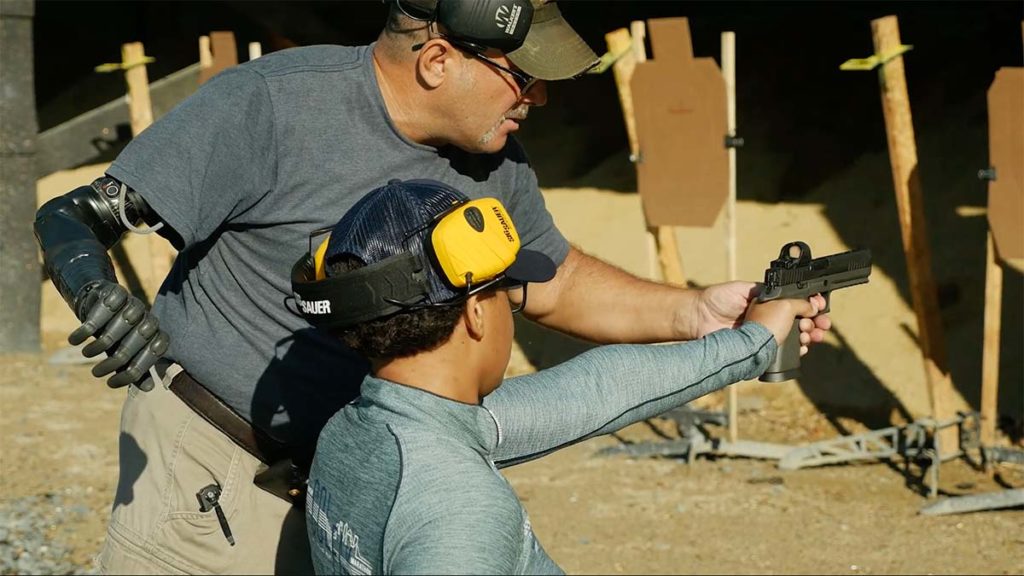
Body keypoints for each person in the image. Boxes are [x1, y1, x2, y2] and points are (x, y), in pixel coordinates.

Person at [33, 0, 831, 574]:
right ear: (438, 57)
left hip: (362, 463)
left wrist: (699, 312)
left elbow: (551, 282)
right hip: (211, 462)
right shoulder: (273, 105)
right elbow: (82, 214)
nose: (540, 97)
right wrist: (92, 286)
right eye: (522, 76)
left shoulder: (492, 159)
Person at [300, 178, 824, 575]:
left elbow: (598, 389)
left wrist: (748, 343)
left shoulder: (359, 430)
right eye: (506, 292)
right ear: (476, 312)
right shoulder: (458, 510)